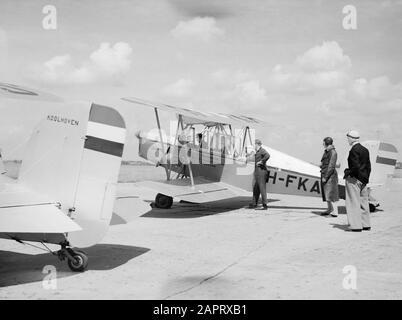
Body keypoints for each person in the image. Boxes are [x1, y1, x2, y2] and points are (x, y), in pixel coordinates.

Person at [344, 130, 371, 232]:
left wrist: (347, 172)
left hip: (355, 179)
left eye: (348, 138)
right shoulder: (365, 150)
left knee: (353, 202)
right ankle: (366, 224)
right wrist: (365, 178)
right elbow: (368, 166)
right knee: (364, 202)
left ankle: (356, 226)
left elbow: (355, 167)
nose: (347, 140)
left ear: (351, 138)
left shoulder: (353, 150)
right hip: (364, 179)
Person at [248, 139, 270, 210]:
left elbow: (267, 155)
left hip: (261, 172)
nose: (253, 146)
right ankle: (254, 204)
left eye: (254, 144)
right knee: (255, 188)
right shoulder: (257, 152)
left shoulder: (262, 150)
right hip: (257, 172)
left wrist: (261, 161)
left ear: (257, 144)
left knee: (262, 188)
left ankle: (264, 205)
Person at [320, 137, 339, 217]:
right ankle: (329, 209)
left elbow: (331, 166)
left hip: (330, 176)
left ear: (325, 143)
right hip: (325, 173)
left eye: (323, 142)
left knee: (331, 193)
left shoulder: (333, 152)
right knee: (326, 193)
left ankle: (335, 212)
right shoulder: (327, 151)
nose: (322, 144)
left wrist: (326, 177)